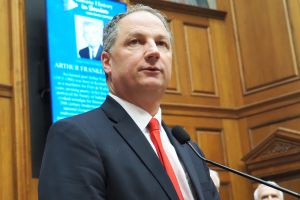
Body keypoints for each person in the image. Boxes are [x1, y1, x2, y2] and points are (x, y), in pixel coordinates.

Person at [38, 4, 219, 200]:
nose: (153, 51)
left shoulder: (190, 150)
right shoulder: (75, 137)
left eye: (161, 43)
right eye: (136, 41)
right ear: (107, 62)